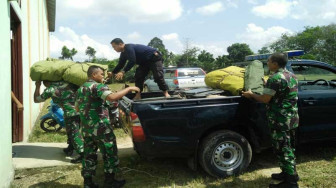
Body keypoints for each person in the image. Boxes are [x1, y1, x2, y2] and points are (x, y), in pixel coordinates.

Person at [76, 65, 140, 188]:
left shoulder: (81, 88)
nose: (103, 76)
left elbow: (77, 108)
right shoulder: (97, 86)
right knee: (109, 152)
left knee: (89, 154)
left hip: (87, 129)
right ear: (94, 75)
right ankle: (110, 182)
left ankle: (88, 183)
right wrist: (130, 89)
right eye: (101, 74)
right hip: (101, 128)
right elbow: (112, 98)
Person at [242, 53, 300, 188]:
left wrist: (251, 95)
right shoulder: (291, 75)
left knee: (283, 149)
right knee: (289, 147)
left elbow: (264, 99)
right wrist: (267, 84)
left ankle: (291, 183)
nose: (267, 63)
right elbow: (282, 92)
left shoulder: (275, 78)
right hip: (291, 119)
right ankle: (289, 173)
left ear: (275, 63)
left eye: (268, 61)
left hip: (280, 120)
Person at [34, 80, 84, 163]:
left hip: (71, 113)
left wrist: (37, 86)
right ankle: (71, 147)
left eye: (43, 83)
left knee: (74, 133)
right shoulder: (70, 83)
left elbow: (37, 99)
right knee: (70, 131)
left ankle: (83, 155)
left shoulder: (51, 89)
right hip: (80, 111)